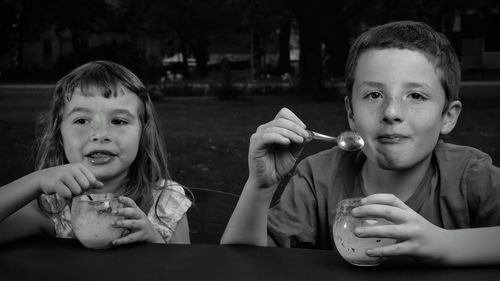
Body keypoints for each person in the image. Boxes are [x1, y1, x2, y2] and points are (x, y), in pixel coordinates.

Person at [221, 21, 500, 266]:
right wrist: (260, 187)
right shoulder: (318, 178)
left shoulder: (470, 175)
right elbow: (239, 265)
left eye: (415, 96)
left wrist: (443, 245)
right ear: (351, 113)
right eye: (374, 94)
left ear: (448, 116)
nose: (391, 112)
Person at [0, 60, 191, 245]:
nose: (101, 134)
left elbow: (183, 272)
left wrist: (154, 241)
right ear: (59, 134)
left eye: (118, 121)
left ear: (143, 133)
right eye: (82, 121)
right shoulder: (53, 208)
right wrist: (36, 180)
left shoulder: (164, 203)